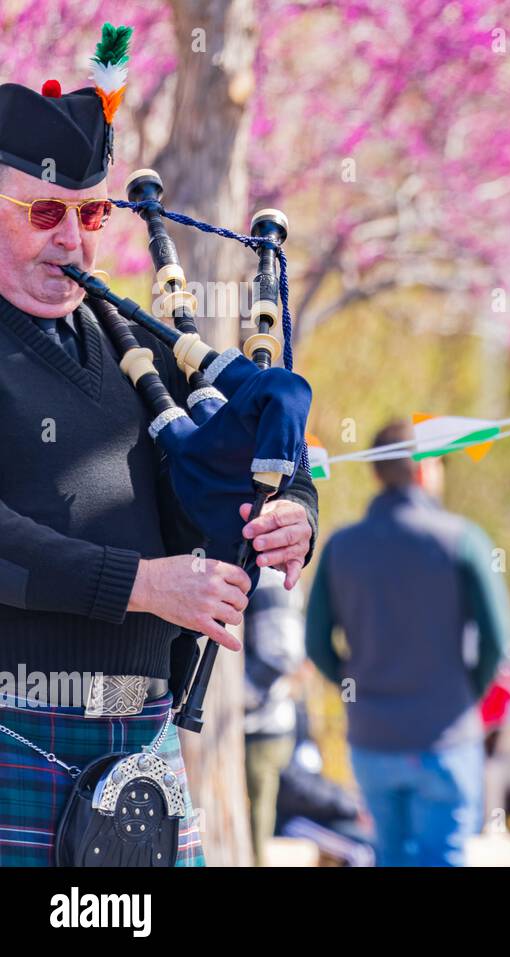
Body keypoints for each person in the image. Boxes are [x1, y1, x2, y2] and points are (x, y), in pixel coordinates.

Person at [0, 32, 319, 867]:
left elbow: (236, 457)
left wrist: (294, 511)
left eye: (92, 214)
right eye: (43, 213)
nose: (72, 242)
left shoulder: (126, 338)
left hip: (141, 740)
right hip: (16, 724)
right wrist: (141, 586)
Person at [305, 419, 510, 866]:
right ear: (423, 469)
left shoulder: (341, 547)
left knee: (390, 856)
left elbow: (316, 643)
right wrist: (464, 693)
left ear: (376, 473)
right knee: (444, 858)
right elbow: (498, 641)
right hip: (445, 736)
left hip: (372, 739)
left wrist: (353, 684)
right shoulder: (462, 540)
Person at [243, 566, 306, 866]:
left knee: (252, 844)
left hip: (259, 730)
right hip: (246, 729)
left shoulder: (268, 576)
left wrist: (233, 701)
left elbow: (282, 654)